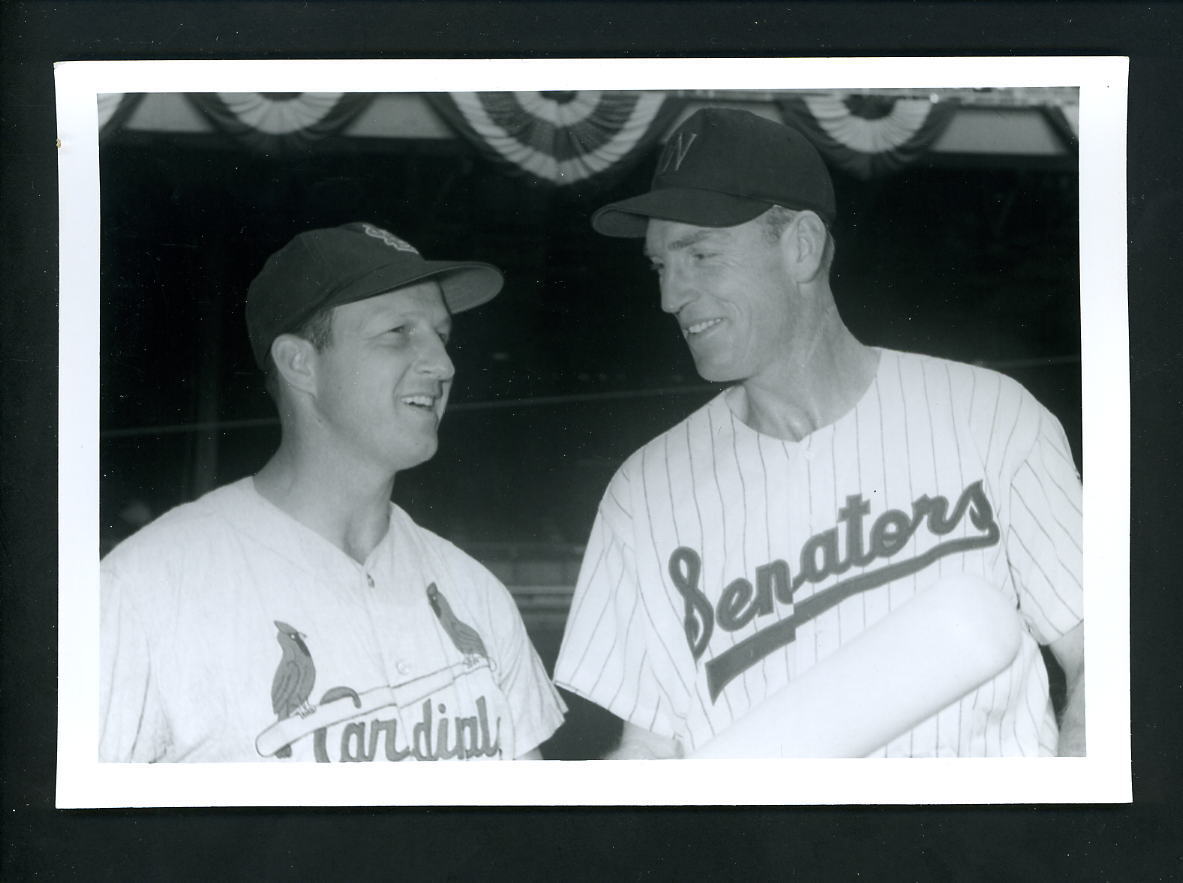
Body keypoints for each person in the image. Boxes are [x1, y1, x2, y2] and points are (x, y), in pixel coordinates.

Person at [553, 108, 1084, 758]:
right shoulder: (643, 492)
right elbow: (648, 750)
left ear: (800, 246)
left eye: (699, 254)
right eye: (660, 265)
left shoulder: (990, 416)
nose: (670, 296)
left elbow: (1102, 659)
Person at [100, 222, 566, 762]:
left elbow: (531, 832)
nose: (442, 364)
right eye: (398, 332)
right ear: (300, 363)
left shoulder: (475, 594)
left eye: (441, 335)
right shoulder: (148, 589)